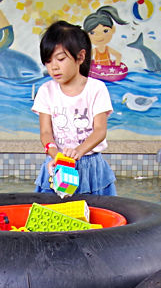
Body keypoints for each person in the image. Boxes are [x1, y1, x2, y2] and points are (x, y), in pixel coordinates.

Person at [32, 21, 116, 196]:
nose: (53, 67)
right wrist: (56, 155)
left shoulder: (96, 89)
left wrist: (78, 152)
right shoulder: (46, 91)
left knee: (95, 218)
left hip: (91, 166)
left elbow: (100, 131)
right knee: (53, 217)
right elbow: (46, 132)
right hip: (57, 164)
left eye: (61, 59)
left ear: (80, 57)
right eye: (48, 61)